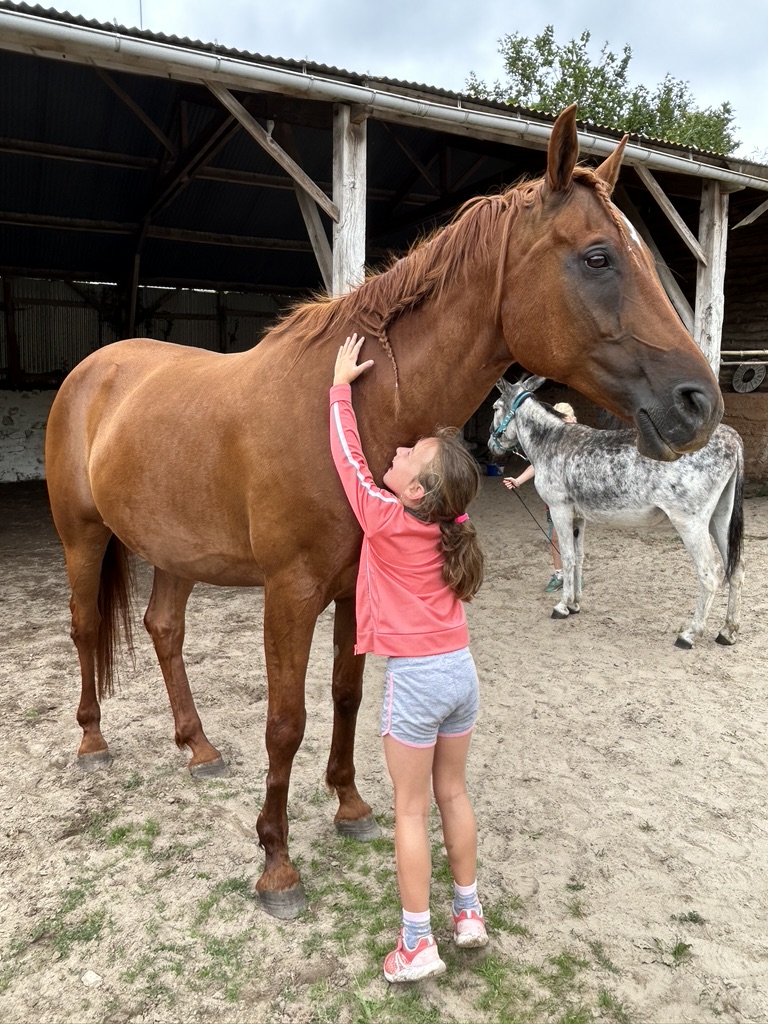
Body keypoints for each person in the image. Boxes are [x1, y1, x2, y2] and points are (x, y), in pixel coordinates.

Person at [330, 333, 489, 984]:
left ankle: (417, 942)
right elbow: (444, 477)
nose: (394, 450)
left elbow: (346, 458)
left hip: (416, 682)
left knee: (408, 809)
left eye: (407, 455)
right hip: (462, 672)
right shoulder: (453, 523)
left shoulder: (386, 519)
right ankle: (469, 911)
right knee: (453, 792)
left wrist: (340, 388)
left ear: (418, 492)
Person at [503, 402, 577, 593]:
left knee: (573, 535)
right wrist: (518, 481)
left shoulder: (578, 440)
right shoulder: (551, 443)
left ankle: (574, 575)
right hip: (555, 498)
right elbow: (538, 465)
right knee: (555, 535)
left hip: (576, 498)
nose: (573, 420)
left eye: (572, 417)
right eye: (568, 417)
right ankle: (560, 574)